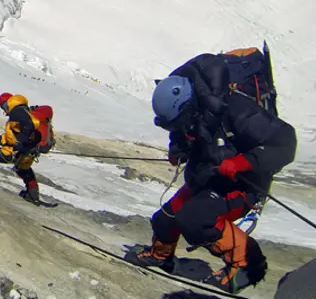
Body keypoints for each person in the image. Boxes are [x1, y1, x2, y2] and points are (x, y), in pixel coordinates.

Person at [126, 53, 297, 294]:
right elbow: (184, 132)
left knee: (195, 219)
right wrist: (178, 150)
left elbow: (285, 142)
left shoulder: (235, 109)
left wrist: (244, 162)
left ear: (188, 105)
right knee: (165, 218)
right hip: (210, 176)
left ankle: (249, 265)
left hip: (243, 184)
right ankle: (160, 256)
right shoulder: (193, 107)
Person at [0, 93, 45, 204]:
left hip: (15, 150)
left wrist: (21, 140)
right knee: (23, 169)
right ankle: (33, 193)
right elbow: (10, 135)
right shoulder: (24, 110)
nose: (4, 111)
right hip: (29, 150)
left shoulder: (16, 112)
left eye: (3, 107)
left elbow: (30, 125)